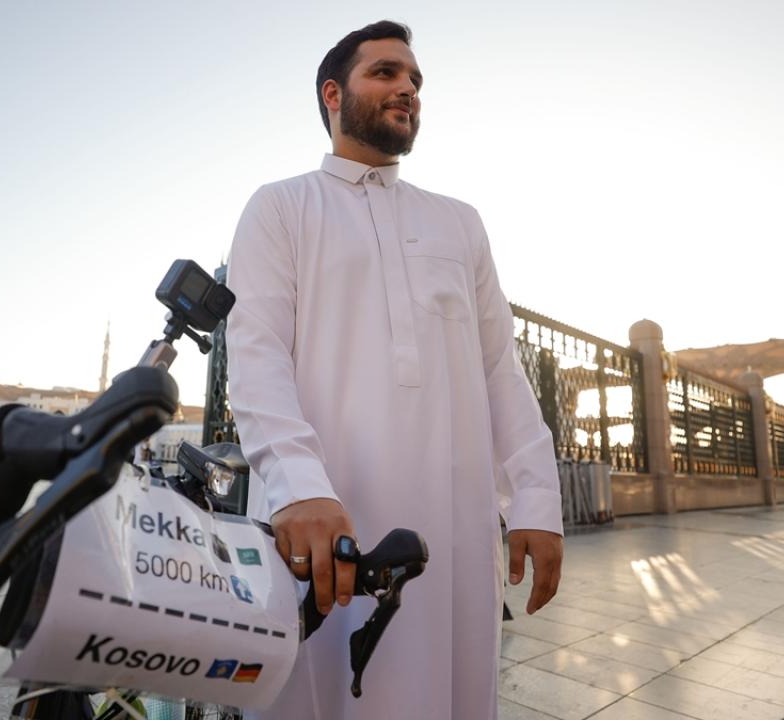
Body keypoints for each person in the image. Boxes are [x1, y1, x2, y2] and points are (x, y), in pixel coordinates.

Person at [225, 21, 564, 719]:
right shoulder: (281, 207)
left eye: (414, 79)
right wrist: (296, 486)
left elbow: (501, 369)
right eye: (385, 72)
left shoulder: (460, 223)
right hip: (321, 515)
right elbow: (256, 354)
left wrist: (535, 497)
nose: (407, 87)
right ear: (333, 94)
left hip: (453, 522)